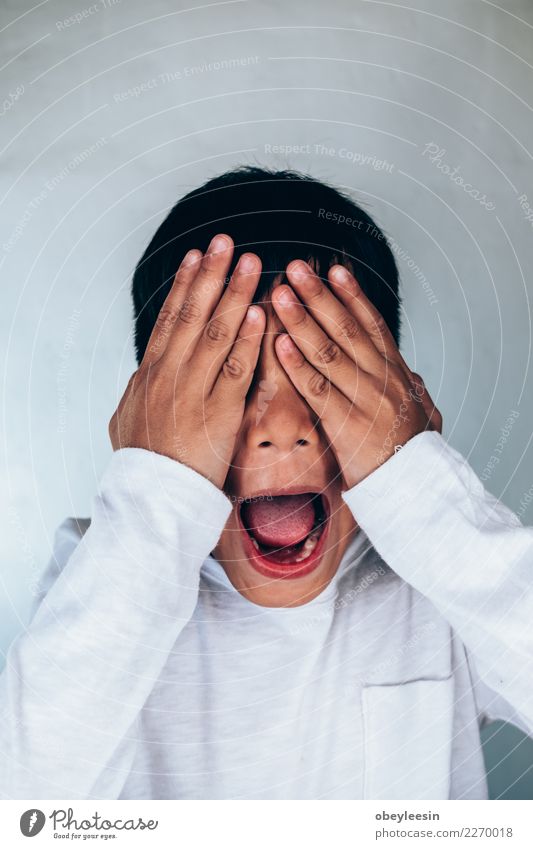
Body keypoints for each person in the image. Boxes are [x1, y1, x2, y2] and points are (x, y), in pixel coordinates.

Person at [1, 167, 532, 800]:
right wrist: (157, 489)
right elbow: (25, 796)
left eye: (322, 376)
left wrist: (416, 479)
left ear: (396, 400)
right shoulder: (107, 568)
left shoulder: (437, 580)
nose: (282, 428)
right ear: (153, 415)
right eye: (233, 378)